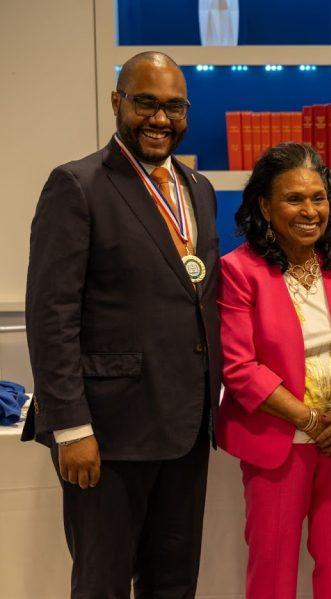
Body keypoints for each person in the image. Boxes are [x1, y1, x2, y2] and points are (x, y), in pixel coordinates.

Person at [23, 51, 221, 597]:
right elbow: (51, 313)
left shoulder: (198, 190)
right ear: (118, 103)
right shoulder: (77, 185)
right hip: (108, 434)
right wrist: (71, 426)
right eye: (146, 104)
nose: (160, 120)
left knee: (174, 582)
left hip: (186, 428)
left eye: (174, 107)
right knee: (102, 583)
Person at [216, 143, 331, 599]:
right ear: (265, 207)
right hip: (279, 440)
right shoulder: (237, 271)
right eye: (294, 199)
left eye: (319, 197)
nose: (310, 211)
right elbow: (239, 368)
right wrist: (309, 420)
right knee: (271, 572)